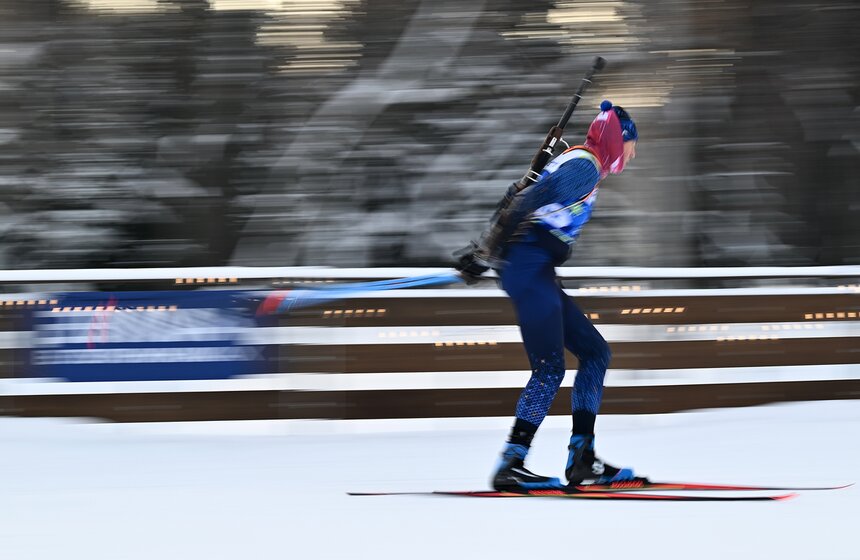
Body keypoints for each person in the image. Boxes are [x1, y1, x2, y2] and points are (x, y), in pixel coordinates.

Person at [455, 100, 640, 491]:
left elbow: (517, 194)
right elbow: (526, 202)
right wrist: (486, 254)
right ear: (617, 139)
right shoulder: (584, 167)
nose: (632, 153)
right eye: (631, 144)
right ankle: (512, 463)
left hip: (535, 271)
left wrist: (487, 251)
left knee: (595, 352)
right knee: (549, 368)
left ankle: (582, 457)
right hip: (528, 269)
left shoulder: (578, 162)